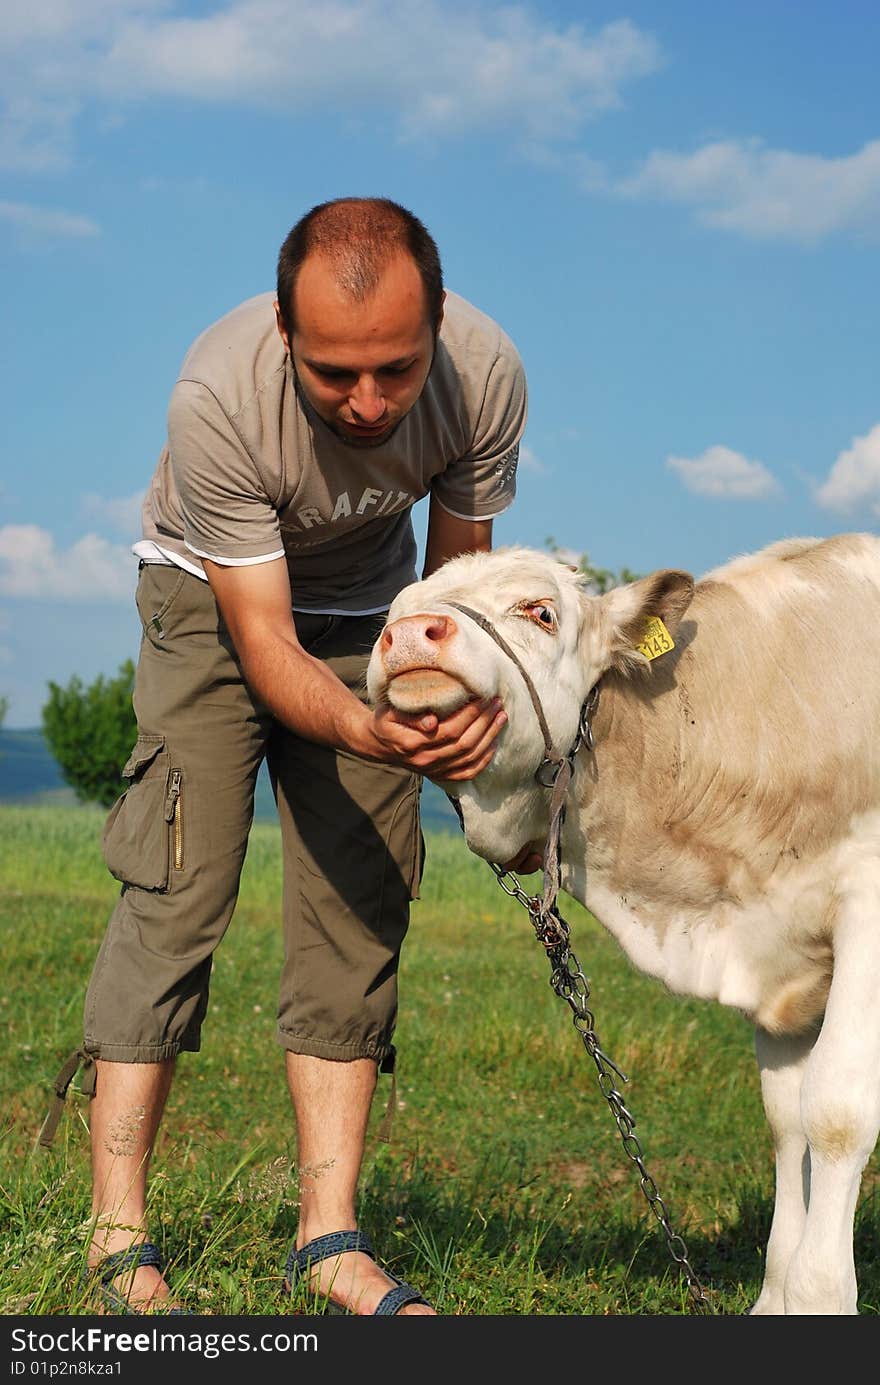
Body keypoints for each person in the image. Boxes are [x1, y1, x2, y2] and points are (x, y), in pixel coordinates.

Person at [42, 197, 527, 1316]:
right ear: (283, 332)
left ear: (440, 325)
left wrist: (447, 726)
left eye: (396, 372)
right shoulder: (217, 397)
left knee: (360, 899)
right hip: (210, 594)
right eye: (334, 375)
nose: (368, 403)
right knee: (179, 881)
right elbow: (262, 640)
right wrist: (365, 727)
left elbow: (454, 593)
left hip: (376, 603)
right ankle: (118, 1233)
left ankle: (332, 1238)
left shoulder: (488, 374)